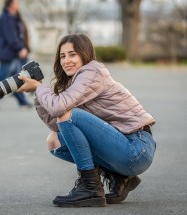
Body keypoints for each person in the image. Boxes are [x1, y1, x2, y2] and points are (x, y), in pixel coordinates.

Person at [17, 33, 156, 207]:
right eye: (62, 56)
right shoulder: (75, 82)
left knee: (68, 114)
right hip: (121, 148)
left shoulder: (92, 71)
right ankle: (120, 176)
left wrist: (39, 87)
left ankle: (90, 187)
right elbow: (58, 124)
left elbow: (61, 110)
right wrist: (37, 95)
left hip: (136, 148)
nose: (66, 60)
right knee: (54, 141)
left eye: (72, 54)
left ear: (85, 54)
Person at [0, 0, 32, 108]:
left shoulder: (11, 17)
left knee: (16, 78)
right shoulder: (6, 18)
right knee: (1, 78)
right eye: (16, 2)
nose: (18, 4)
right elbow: (11, 37)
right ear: (11, 4)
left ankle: (22, 101)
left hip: (9, 53)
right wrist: (20, 48)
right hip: (7, 53)